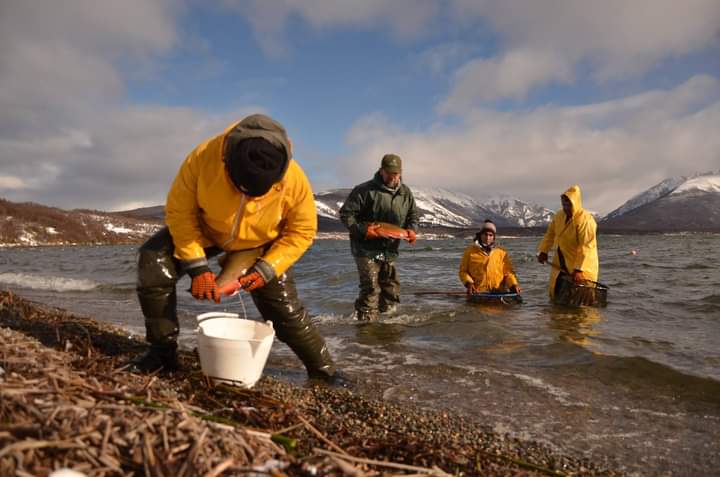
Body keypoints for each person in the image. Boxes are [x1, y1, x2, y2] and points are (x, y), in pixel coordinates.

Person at [131, 114, 337, 382]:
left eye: (256, 194)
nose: (247, 199)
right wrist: (197, 267)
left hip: (261, 243)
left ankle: (325, 373)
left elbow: (302, 232)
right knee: (153, 262)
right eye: (240, 189)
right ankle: (162, 354)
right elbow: (180, 213)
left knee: (283, 310)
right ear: (227, 161)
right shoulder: (204, 157)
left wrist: (266, 269)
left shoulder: (295, 180)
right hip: (207, 231)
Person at [339, 154, 419, 321]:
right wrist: (363, 230)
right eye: (389, 172)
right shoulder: (364, 190)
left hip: (390, 249)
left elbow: (413, 215)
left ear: (401, 173)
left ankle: (388, 329)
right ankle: (365, 329)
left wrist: (411, 230)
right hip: (365, 249)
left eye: (396, 173)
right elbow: (346, 214)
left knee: (391, 288)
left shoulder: (406, 193)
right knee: (371, 288)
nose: (392, 176)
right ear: (381, 171)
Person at [536, 185, 599, 301]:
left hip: (583, 266)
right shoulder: (559, 216)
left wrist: (579, 270)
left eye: (569, 205)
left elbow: (586, 247)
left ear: (575, 204)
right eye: (564, 205)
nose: (566, 208)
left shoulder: (586, 221)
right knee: (557, 295)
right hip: (561, 262)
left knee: (582, 299)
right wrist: (543, 251)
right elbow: (550, 234)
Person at [459, 219, 521, 296]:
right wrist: (469, 283)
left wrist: (513, 285)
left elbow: (508, 273)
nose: (487, 238)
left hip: (499, 293)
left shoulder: (502, 252)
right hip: (477, 294)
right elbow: (463, 272)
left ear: (494, 237)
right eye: (485, 234)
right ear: (480, 235)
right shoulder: (469, 252)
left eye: (490, 235)